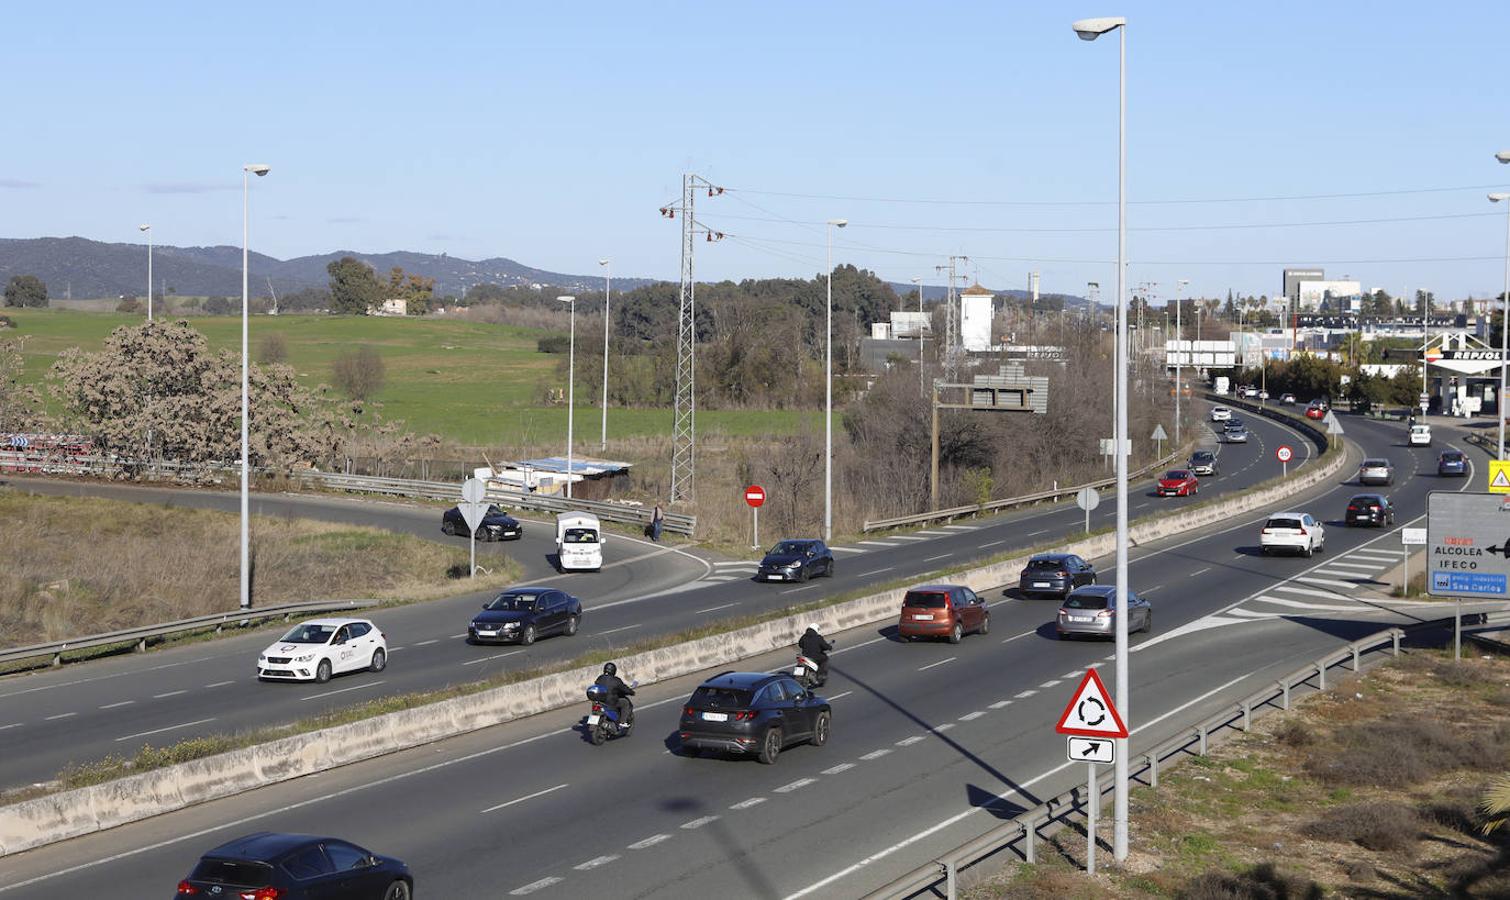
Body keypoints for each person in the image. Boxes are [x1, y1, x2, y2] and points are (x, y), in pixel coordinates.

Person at [593, 662, 635, 729]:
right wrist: (631, 692)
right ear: (614, 671)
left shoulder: (600, 678)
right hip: (611, 702)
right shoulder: (616, 680)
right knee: (625, 702)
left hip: (600, 701)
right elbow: (624, 688)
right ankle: (622, 722)